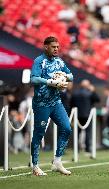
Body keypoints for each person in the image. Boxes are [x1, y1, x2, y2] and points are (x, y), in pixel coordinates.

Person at [30, 36, 73, 176]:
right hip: (41, 103)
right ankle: (35, 165)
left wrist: (63, 77)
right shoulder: (39, 61)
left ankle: (57, 162)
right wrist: (50, 82)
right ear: (46, 47)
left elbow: (71, 76)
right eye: (53, 47)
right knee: (39, 133)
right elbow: (33, 78)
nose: (56, 49)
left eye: (57, 47)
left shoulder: (59, 62)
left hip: (56, 102)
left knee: (67, 128)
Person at [71, 79, 100, 152]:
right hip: (88, 115)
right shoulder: (90, 93)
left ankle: (76, 148)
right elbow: (97, 99)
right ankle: (87, 148)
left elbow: (71, 104)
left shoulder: (75, 93)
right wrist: (93, 91)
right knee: (88, 132)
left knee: (77, 133)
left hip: (78, 115)